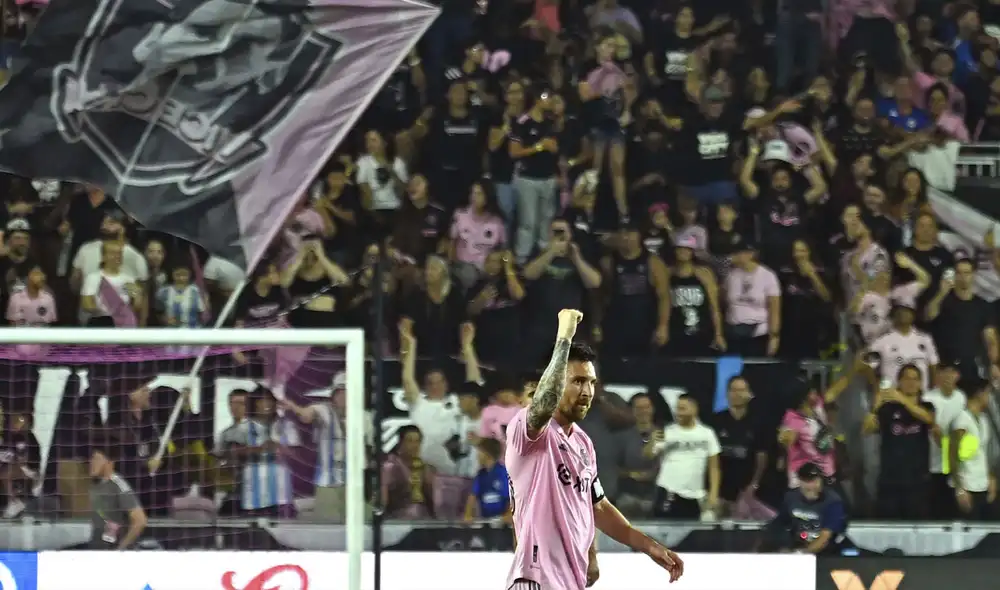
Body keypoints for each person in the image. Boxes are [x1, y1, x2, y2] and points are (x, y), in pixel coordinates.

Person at [505, 309, 682, 590]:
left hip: (569, 582)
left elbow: (597, 506)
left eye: (591, 382)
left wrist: (649, 546)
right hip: (536, 580)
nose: (587, 391)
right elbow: (544, 403)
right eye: (577, 381)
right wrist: (564, 338)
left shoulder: (582, 443)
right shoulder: (528, 433)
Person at [760, 463, 848, 555]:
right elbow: (779, 523)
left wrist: (803, 554)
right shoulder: (791, 497)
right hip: (798, 544)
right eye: (805, 481)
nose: (810, 486)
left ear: (821, 481)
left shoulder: (832, 502)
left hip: (826, 551)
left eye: (814, 481)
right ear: (799, 481)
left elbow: (825, 537)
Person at [89, 445, 148, 550]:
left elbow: (140, 521)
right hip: (98, 548)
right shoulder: (97, 486)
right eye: (92, 459)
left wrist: (120, 549)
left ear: (110, 463)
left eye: (97, 459)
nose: (92, 463)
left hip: (112, 551)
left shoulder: (118, 486)